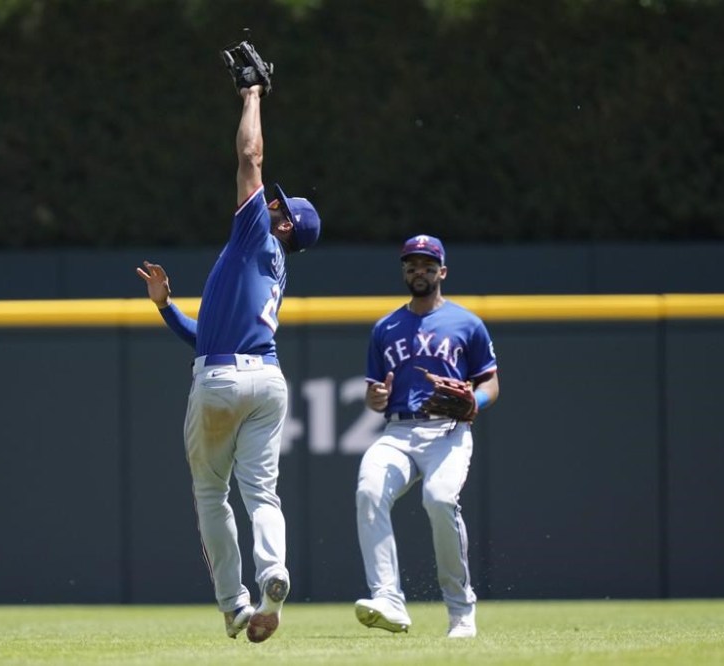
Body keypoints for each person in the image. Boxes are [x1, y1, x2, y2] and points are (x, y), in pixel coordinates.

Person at [136, 81, 320, 643]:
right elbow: (207, 335)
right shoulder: (273, 267)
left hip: (220, 380)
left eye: (278, 207)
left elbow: (249, 156)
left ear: (284, 225)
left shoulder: (254, 233)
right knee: (262, 493)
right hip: (267, 379)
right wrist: (167, 309)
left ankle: (235, 606)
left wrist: (252, 95)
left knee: (211, 493)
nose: (269, 202)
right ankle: (275, 571)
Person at [355, 234, 499, 639]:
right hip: (398, 429)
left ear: (443, 271)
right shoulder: (385, 327)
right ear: (404, 271)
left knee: (438, 500)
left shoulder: (466, 323)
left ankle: (460, 611)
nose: (419, 270)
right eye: (412, 264)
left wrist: (476, 401)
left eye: (428, 264)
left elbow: (491, 382)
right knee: (369, 491)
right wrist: (376, 397)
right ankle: (388, 599)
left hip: (448, 431)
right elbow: (372, 396)